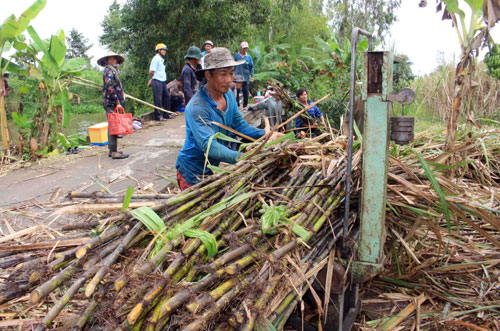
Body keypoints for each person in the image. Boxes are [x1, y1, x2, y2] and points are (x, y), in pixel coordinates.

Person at [175, 47, 282, 190]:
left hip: (211, 168)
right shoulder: (197, 107)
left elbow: (240, 125)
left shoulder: (229, 96)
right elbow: (210, 146)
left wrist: (267, 135)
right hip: (191, 170)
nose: (229, 80)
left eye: (231, 73)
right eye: (223, 74)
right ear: (208, 75)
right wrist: (244, 158)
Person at [98, 51, 128, 159]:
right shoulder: (108, 71)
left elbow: (116, 87)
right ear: (107, 61)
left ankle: (112, 150)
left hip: (113, 102)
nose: (113, 61)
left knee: (112, 126)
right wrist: (117, 102)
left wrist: (122, 95)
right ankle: (114, 152)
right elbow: (110, 88)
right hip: (111, 103)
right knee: (113, 126)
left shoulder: (113, 71)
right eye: (110, 59)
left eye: (114, 59)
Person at [148, 43, 172, 121]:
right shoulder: (156, 59)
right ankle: (158, 116)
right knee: (158, 99)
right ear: (159, 50)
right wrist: (152, 79)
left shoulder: (161, 59)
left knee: (167, 97)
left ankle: (166, 114)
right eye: (163, 50)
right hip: (157, 81)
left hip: (162, 81)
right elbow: (151, 71)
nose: (165, 51)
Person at [234, 41, 254, 109]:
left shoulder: (249, 57)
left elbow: (251, 67)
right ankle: (237, 105)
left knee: (245, 91)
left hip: (246, 77)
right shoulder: (237, 56)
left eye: (246, 48)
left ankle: (245, 106)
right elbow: (233, 66)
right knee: (237, 91)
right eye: (244, 48)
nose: (245, 49)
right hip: (237, 77)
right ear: (241, 48)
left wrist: (252, 76)